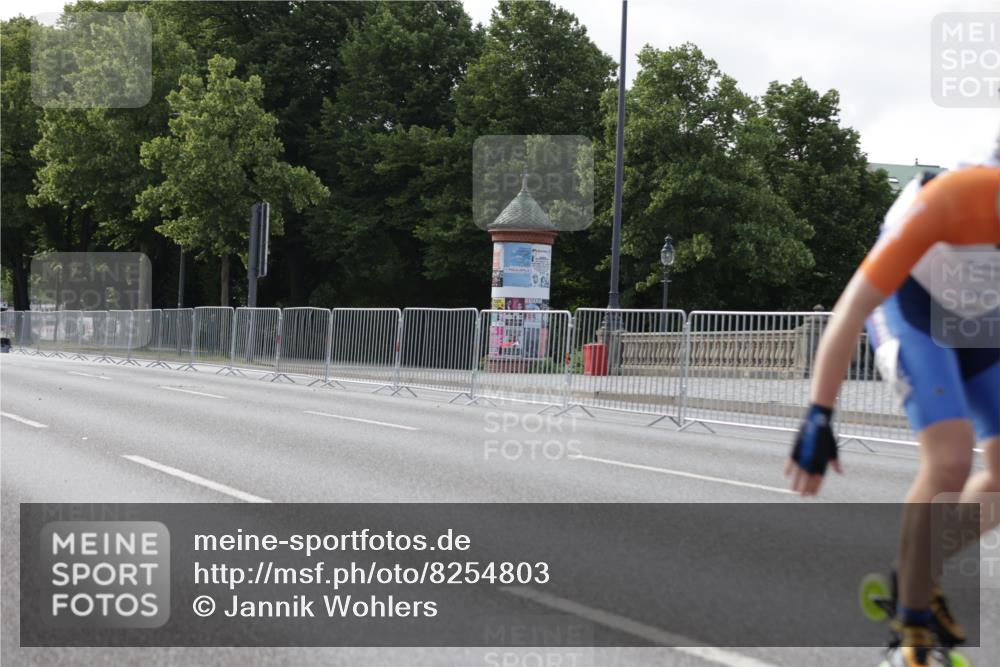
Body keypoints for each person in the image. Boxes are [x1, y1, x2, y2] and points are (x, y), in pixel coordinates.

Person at [786, 132, 1000, 667]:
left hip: (982, 316)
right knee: (950, 459)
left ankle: (915, 572)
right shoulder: (954, 197)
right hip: (914, 305)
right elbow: (852, 307)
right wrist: (820, 413)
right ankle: (910, 632)